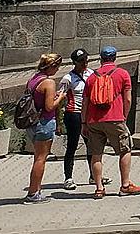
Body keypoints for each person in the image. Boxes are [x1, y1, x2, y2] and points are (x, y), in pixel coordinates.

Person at [81, 46, 140, 197]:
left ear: (100, 59)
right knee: (125, 150)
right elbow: (127, 99)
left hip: (94, 120)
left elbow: (85, 103)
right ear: (115, 58)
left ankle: (99, 188)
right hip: (115, 118)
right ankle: (125, 185)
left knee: (96, 154)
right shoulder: (122, 74)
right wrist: (124, 116)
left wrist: (84, 122)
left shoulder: (91, 77)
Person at [58, 48, 108, 191]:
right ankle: (68, 177)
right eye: (81, 61)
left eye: (86, 59)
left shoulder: (91, 74)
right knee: (72, 146)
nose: (85, 63)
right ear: (74, 62)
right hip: (73, 114)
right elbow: (59, 99)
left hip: (89, 114)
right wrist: (58, 121)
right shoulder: (68, 78)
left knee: (92, 145)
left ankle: (94, 175)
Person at [22, 52, 64, 203]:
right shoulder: (48, 82)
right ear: (52, 66)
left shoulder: (33, 79)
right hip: (44, 123)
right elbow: (49, 106)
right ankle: (33, 193)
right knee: (40, 159)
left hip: (32, 123)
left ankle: (36, 189)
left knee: (37, 157)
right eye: (57, 67)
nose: (58, 70)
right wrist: (60, 97)